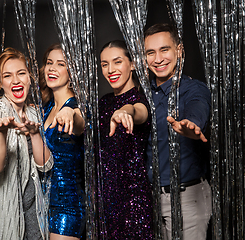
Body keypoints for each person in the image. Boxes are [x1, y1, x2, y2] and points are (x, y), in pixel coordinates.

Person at [144, 23, 212, 240]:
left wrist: (191, 124)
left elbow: (198, 107)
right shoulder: (144, 94)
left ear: (179, 51)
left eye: (164, 50)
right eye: (150, 53)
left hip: (188, 198)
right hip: (151, 200)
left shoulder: (193, 89)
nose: (158, 59)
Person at [0, 47, 53, 240]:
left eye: (21, 73)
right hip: (7, 215)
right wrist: (1, 133)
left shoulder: (33, 113)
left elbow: (46, 167)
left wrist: (35, 134)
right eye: (8, 76)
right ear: (0, 84)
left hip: (34, 212)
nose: (15, 80)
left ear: (29, 77)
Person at [98, 40, 153, 239]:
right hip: (107, 200)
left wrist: (124, 111)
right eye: (105, 64)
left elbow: (139, 112)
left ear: (133, 64)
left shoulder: (141, 100)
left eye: (117, 62)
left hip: (134, 202)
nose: (110, 69)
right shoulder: (104, 102)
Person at [39, 43, 86, 240]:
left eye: (60, 64)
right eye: (50, 63)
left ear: (72, 72)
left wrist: (70, 112)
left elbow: (79, 122)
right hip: (42, 204)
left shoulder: (78, 106)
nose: (52, 68)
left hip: (67, 206)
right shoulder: (47, 106)